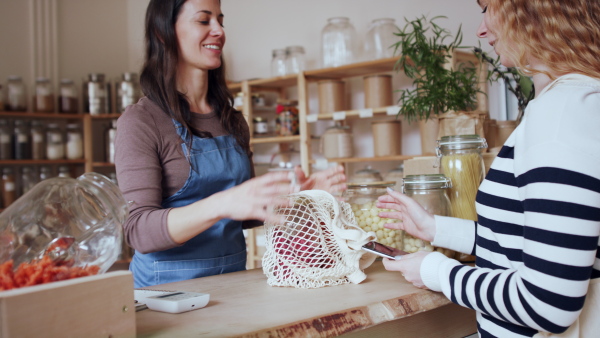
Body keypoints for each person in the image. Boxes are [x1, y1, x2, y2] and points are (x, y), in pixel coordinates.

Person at [377, 0, 600, 337]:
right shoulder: (579, 104)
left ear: (532, 9)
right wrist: (436, 228)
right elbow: (531, 249)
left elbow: (548, 304)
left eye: (487, 9)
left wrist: (436, 271)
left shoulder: (559, 118)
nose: (482, 30)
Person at [115, 0, 346, 288]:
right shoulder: (141, 121)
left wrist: (298, 197)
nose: (219, 31)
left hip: (235, 283)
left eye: (220, 20)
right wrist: (223, 203)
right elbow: (138, 231)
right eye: (204, 20)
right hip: (165, 293)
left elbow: (245, 216)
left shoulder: (231, 119)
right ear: (164, 33)